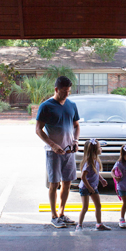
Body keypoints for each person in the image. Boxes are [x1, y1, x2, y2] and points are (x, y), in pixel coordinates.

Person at [35, 76, 80, 228]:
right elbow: (38, 129)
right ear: (56, 89)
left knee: (67, 183)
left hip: (69, 151)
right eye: (63, 92)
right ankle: (53, 216)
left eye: (68, 91)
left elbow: (76, 126)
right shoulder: (46, 106)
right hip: (53, 152)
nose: (66, 94)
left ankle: (61, 213)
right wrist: (52, 145)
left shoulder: (71, 105)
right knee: (54, 184)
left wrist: (75, 141)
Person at [75, 139, 110, 231]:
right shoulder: (88, 163)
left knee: (98, 205)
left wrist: (102, 180)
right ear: (94, 150)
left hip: (93, 187)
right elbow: (83, 177)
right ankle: (79, 225)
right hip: (85, 188)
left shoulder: (96, 161)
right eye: (99, 147)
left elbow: (96, 173)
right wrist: (89, 188)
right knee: (85, 207)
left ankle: (99, 224)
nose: (101, 148)